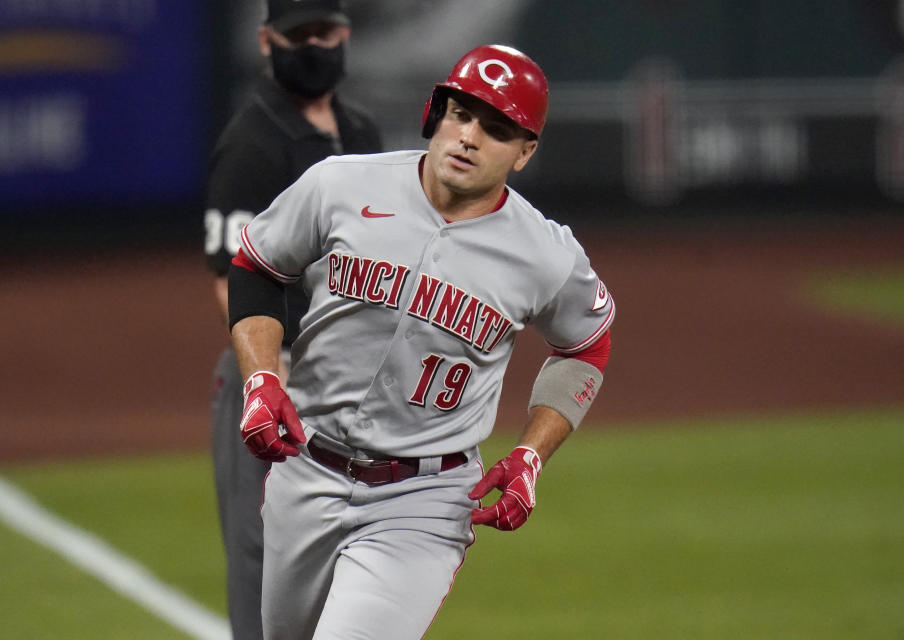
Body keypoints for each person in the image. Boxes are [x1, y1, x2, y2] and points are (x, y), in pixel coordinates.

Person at [227, 44, 615, 640]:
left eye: (495, 128)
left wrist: (533, 452)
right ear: (436, 114)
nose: (468, 136)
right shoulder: (341, 185)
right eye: (460, 114)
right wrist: (260, 377)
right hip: (305, 470)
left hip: (425, 499)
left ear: (525, 152)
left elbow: (586, 345)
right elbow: (258, 264)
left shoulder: (546, 254)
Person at [202, 1, 382, 638]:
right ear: (266, 41)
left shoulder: (360, 135)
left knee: (351, 556)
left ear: (346, 35)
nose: (314, 45)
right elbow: (232, 278)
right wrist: (267, 375)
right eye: (298, 34)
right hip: (272, 383)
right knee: (262, 559)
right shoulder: (253, 143)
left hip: (347, 387)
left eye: (324, 32)